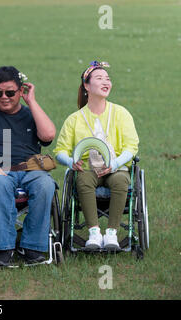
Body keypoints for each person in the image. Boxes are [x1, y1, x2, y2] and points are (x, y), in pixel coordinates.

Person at [0, 66, 57, 266]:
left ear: (20, 91)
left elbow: (48, 135)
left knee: (46, 185)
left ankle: (32, 246)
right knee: (1, 185)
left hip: (30, 168)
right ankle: (4, 248)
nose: (4, 97)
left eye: (10, 92)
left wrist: (31, 101)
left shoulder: (30, 113)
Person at [53, 61, 139, 250]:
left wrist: (115, 163)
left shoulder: (121, 113)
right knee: (83, 181)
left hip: (115, 167)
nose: (105, 81)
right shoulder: (74, 119)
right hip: (87, 168)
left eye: (107, 79)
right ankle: (93, 232)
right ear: (86, 86)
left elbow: (131, 146)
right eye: (99, 78)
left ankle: (111, 234)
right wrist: (71, 162)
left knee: (120, 181)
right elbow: (60, 151)